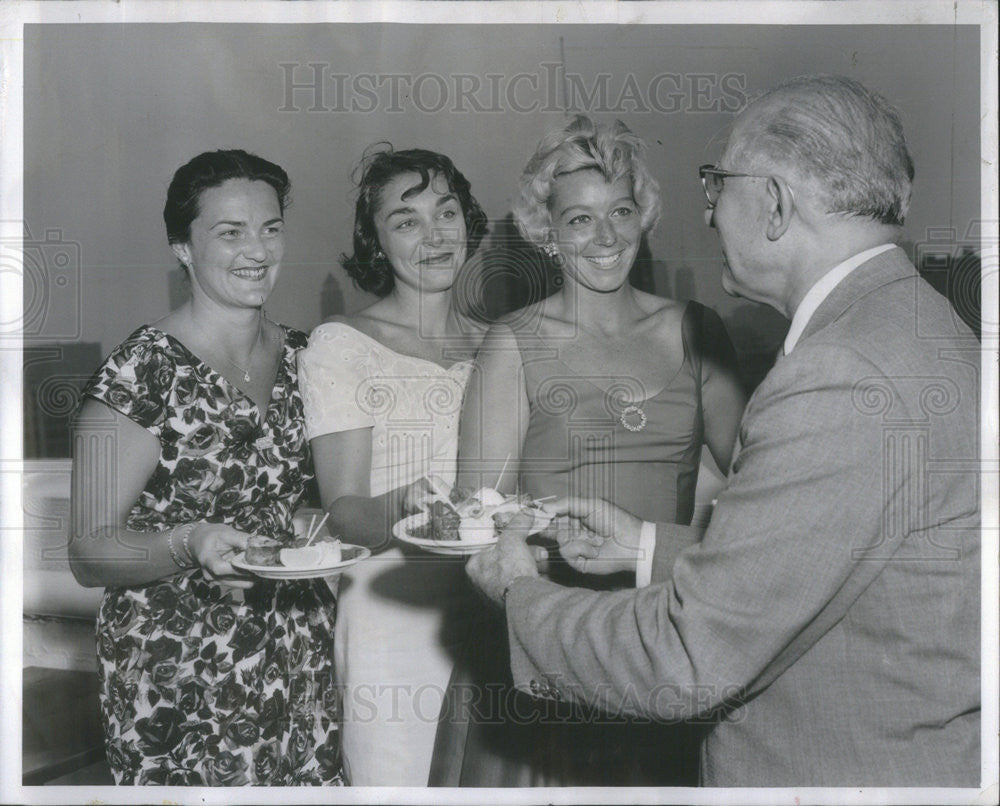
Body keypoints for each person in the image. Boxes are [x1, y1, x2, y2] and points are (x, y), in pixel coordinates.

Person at [467, 75, 981, 787]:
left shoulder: (837, 372)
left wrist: (521, 595)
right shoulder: (924, 329)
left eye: (719, 184)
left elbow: (688, 655)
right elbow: (807, 554)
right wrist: (642, 543)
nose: (708, 214)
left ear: (773, 203)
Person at [430, 116, 746, 786]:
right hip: (548, 647)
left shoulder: (696, 332)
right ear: (546, 231)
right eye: (579, 219)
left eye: (621, 211)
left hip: (665, 639)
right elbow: (477, 522)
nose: (606, 238)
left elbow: (765, 497)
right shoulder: (512, 342)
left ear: (645, 215)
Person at [69, 150, 343, 785]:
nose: (257, 248)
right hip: (177, 665)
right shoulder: (141, 369)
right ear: (182, 247)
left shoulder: (310, 356)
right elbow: (88, 549)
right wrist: (190, 541)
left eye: (270, 227)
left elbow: (307, 499)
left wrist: (316, 525)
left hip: (297, 645)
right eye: (229, 232)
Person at [297, 147, 489, 785]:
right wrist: (405, 501)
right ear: (375, 244)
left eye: (447, 212)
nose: (434, 235)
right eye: (406, 221)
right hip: (391, 618)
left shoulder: (501, 343)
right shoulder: (341, 345)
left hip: (492, 607)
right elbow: (344, 511)